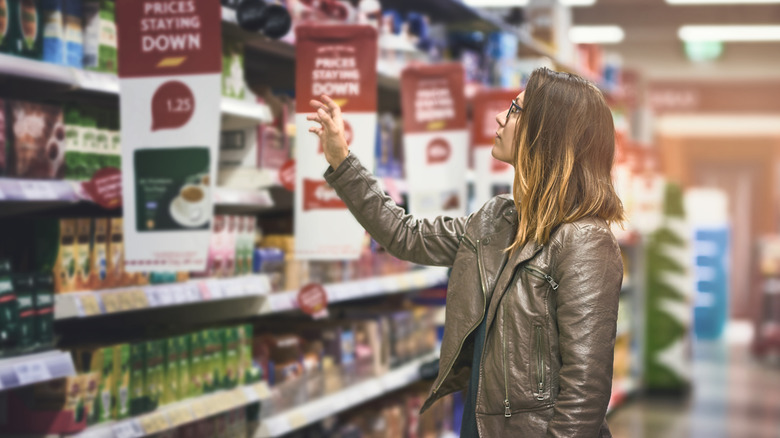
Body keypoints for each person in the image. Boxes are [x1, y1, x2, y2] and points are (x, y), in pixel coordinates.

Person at [307, 67, 625, 437]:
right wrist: (342, 161)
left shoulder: (585, 241)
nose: (499, 116)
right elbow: (405, 235)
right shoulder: (498, 220)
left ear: (546, 131)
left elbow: (585, 394)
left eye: (515, 109)